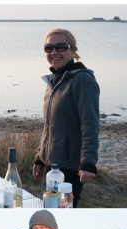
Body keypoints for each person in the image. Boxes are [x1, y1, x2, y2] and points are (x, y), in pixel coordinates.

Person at [33, 28, 100, 208]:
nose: (54, 52)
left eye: (61, 47)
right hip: (52, 167)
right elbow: (49, 126)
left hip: (71, 169)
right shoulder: (53, 80)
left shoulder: (82, 81)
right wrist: (40, 157)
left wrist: (88, 163)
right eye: (49, 48)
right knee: (51, 209)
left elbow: (90, 124)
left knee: (65, 211)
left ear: (73, 50)